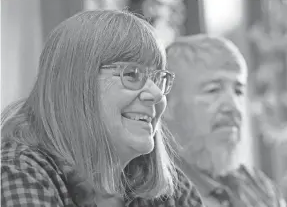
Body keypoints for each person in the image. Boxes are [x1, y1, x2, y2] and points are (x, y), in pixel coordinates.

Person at [1, 10, 204, 207]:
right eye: (132, 74)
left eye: (158, 78)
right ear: (76, 84)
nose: (158, 95)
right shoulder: (19, 171)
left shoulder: (173, 192)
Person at [164, 34, 286, 207]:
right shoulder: (151, 195)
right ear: (167, 104)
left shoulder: (261, 189)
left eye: (238, 91)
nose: (233, 107)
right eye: (213, 90)